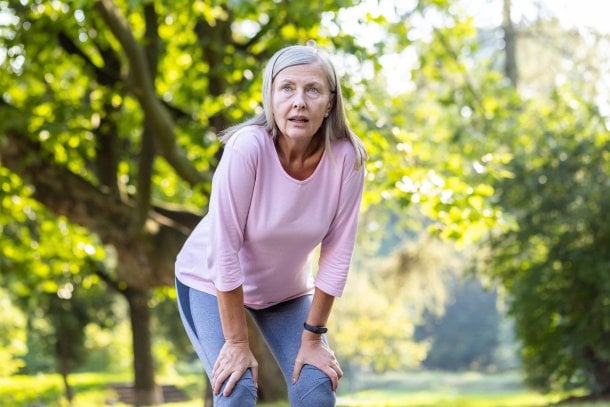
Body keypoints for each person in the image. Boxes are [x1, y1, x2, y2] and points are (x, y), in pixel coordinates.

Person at [175, 43, 367, 407]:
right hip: (208, 282)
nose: (299, 102)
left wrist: (313, 338)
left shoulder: (347, 159)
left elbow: (337, 256)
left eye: (313, 90)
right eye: (287, 88)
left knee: (316, 388)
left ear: (330, 102)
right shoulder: (247, 148)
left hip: (285, 293)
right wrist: (236, 344)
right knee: (237, 391)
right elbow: (225, 250)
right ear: (270, 98)